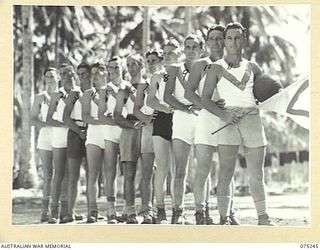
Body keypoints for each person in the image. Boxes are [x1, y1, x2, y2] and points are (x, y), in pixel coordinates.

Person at [201, 22, 274, 226]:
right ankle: (224, 217)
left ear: (244, 40)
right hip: (228, 120)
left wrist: (272, 96)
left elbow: (267, 92)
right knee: (226, 171)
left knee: (256, 173)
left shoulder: (253, 67)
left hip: (252, 118)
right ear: (224, 41)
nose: (233, 42)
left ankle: (263, 217)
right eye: (229, 38)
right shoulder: (215, 68)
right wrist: (224, 115)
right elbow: (205, 99)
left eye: (237, 37)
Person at [185, 26, 240, 225]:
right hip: (207, 119)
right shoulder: (201, 64)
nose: (216, 42)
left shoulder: (233, 64)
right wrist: (209, 105)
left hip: (229, 121)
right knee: (203, 168)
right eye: (212, 39)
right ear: (207, 43)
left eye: (220, 39)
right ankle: (201, 212)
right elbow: (189, 94)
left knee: (228, 169)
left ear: (225, 41)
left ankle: (229, 212)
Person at [163, 35, 203, 224]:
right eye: (187, 47)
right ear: (184, 49)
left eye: (195, 47)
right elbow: (168, 97)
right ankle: (177, 211)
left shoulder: (207, 67)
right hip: (181, 119)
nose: (191, 50)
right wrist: (186, 108)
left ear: (201, 49)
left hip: (203, 118)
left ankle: (201, 211)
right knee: (180, 169)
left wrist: (202, 107)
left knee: (203, 168)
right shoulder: (175, 69)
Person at [146, 43, 176, 224]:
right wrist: (166, 108)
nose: (166, 56)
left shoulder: (185, 73)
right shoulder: (157, 76)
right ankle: (160, 209)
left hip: (181, 121)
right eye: (164, 54)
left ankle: (177, 210)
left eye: (170, 53)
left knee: (178, 169)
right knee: (162, 168)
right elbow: (151, 100)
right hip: (162, 122)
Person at [113, 54, 144, 224]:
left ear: (141, 65)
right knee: (129, 173)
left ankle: (148, 210)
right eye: (129, 64)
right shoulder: (124, 89)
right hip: (129, 128)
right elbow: (117, 115)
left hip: (147, 127)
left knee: (149, 172)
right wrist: (131, 126)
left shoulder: (148, 84)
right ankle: (130, 211)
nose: (132, 68)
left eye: (135, 64)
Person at [46, 63, 78, 224]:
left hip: (76, 137)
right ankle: (54, 211)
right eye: (62, 73)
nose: (65, 75)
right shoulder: (57, 95)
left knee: (72, 176)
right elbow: (49, 118)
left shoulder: (79, 92)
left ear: (73, 72)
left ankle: (69, 210)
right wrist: (64, 124)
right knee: (58, 175)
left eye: (67, 72)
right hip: (60, 137)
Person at [61, 62, 91, 223]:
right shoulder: (74, 93)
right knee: (73, 175)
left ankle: (91, 211)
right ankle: (70, 212)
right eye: (79, 73)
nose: (82, 76)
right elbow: (66, 117)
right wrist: (79, 132)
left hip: (92, 133)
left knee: (92, 174)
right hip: (75, 133)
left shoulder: (96, 92)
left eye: (85, 73)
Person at [133, 51, 159, 224]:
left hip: (167, 127)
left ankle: (164, 209)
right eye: (148, 61)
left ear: (160, 61)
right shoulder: (143, 85)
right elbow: (136, 109)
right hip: (149, 129)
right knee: (147, 171)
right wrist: (147, 119)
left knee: (166, 170)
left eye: (154, 60)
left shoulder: (167, 79)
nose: (151, 63)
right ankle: (147, 209)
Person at [82, 62, 109, 223]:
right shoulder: (87, 94)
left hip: (111, 136)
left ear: (105, 74)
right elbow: (85, 116)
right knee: (92, 174)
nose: (95, 76)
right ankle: (92, 210)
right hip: (93, 136)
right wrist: (104, 121)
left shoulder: (113, 91)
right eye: (92, 74)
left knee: (110, 175)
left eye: (98, 73)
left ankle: (112, 211)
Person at [31, 67, 59, 222]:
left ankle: (59, 209)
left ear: (58, 78)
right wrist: (46, 124)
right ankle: (45, 211)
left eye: (52, 76)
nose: (50, 79)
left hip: (61, 136)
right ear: (44, 79)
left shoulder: (63, 95)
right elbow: (33, 118)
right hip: (45, 137)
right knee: (48, 174)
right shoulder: (40, 97)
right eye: (47, 76)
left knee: (60, 174)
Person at [97, 56, 124, 224]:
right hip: (110, 133)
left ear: (122, 68)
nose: (113, 70)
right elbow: (100, 115)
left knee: (129, 172)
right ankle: (111, 211)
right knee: (110, 171)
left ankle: (130, 209)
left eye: (116, 67)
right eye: (110, 68)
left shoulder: (128, 87)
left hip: (128, 132)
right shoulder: (104, 90)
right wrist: (118, 121)